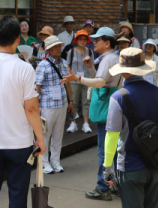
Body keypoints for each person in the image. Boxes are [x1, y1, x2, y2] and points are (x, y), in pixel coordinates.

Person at [0, 16, 45, 208]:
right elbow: (31, 108)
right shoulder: (25, 69)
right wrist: (40, 138)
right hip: (19, 142)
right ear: (18, 39)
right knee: (18, 193)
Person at [103, 48, 158, 208]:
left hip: (130, 165)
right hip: (154, 164)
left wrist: (107, 166)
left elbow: (112, 136)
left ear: (123, 71)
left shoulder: (118, 97)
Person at [61, 27, 121, 201]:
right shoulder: (111, 57)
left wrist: (77, 79)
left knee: (104, 150)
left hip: (106, 109)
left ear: (107, 42)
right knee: (112, 149)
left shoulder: (107, 58)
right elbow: (103, 82)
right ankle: (112, 183)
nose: (92, 42)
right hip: (112, 107)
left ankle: (103, 187)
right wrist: (91, 69)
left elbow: (101, 82)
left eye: (97, 40)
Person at [36, 35, 73, 173]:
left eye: (59, 46)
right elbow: (37, 87)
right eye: (56, 46)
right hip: (47, 105)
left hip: (62, 104)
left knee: (58, 134)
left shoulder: (63, 62)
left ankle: (55, 161)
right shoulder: (42, 65)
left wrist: (71, 101)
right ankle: (45, 163)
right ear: (48, 49)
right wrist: (37, 107)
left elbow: (67, 83)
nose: (59, 48)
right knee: (45, 135)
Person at [66, 30, 94, 133]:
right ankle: (73, 122)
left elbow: (92, 66)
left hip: (87, 80)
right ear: (76, 40)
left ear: (87, 40)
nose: (82, 41)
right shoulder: (71, 51)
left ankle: (85, 123)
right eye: (80, 39)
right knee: (73, 102)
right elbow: (68, 66)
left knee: (86, 101)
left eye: (84, 39)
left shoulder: (90, 51)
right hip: (73, 80)